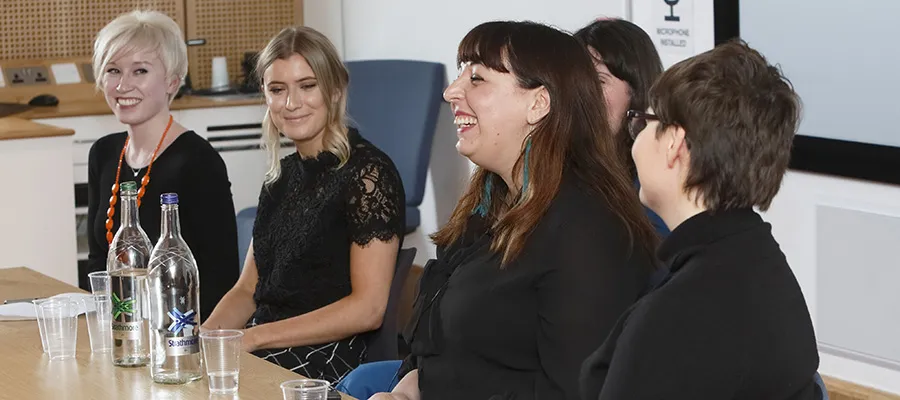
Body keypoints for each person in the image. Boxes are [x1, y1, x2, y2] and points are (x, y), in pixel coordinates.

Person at [373, 21, 658, 400]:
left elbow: (575, 391)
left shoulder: (590, 231)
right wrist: (408, 389)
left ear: (538, 104)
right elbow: (445, 350)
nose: (451, 91)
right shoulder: (488, 202)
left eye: (477, 78)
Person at [579, 40, 820, 399]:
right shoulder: (758, 257)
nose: (637, 136)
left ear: (674, 143)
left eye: (645, 122)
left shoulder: (679, 315)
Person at [200, 26, 406, 384]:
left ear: (336, 89)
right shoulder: (279, 179)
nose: (291, 103)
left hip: (327, 358)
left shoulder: (369, 174)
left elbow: (368, 309)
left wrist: (252, 338)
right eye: (277, 90)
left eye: (307, 86)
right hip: (267, 347)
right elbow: (247, 290)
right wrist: (202, 341)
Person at [87, 10, 239, 321]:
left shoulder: (199, 161)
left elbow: (220, 280)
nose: (123, 85)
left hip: (179, 337)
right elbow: (96, 264)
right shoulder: (103, 153)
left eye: (140, 71)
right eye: (113, 70)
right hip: (118, 332)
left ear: (172, 82)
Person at [575, 17, 669, 237]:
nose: (583, 94)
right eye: (577, 81)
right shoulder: (551, 171)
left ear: (637, 91)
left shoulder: (660, 185)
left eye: (599, 81)